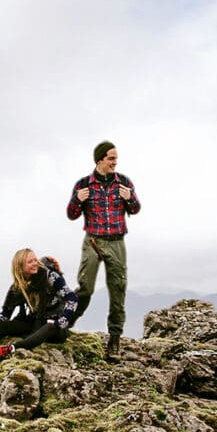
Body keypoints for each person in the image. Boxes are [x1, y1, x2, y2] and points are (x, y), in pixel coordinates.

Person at [66, 140, 141, 360]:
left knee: (118, 290)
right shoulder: (83, 184)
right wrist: (77, 201)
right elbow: (71, 214)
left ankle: (114, 342)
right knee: (85, 288)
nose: (115, 162)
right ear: (100, 159)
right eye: (111, 158)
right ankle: (65, 324)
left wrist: (131, 198)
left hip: (117, 242)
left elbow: (135, 209)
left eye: (116, 158)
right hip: (93, 241)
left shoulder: (124, 182)